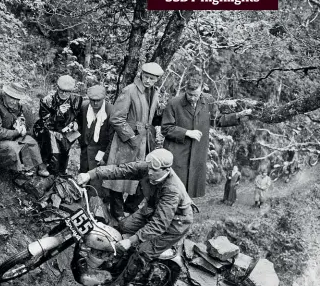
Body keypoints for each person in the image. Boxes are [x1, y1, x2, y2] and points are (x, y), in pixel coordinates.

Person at [76, 148, 194, 286]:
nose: (149, 172)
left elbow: (160, 224)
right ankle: (113, 265)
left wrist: (132, 240)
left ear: (166, 170)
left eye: (154, 170)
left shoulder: (171, 189)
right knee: (122, 226)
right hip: (152, 208)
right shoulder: (149, 168)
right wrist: (90, 174)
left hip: (176, 223)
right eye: (149, 167)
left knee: (142, 251)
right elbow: (120, 170)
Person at [161, 72, 252, 197]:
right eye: (190, 95)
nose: (193, 98)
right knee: (174, 187)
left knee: (191, 189)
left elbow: (217, 120)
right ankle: (172, 212)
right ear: (185, 90)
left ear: (202, 89)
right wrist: (187, 132)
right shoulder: (174, 103)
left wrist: (237, 116)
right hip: (178, 152)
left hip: (197, 152)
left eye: (196, 95)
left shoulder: (208, 100)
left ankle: (185, 212)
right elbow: (165, 128)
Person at [104, 62, 164, 220]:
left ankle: (130, 208)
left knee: (143, 176)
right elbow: (116, 118)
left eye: (152, 78)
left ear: (157, 79)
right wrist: (130, 137)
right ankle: (116, 214)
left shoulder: (155, 93)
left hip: (145, 142)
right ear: (141, 74)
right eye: (146, 77)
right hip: (125, 142)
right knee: (118, 177)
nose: (148, 81)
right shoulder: (129, 90)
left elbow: (152, 117)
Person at [0, 83, 49, 177]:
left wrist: (21, 122)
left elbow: (20, 115)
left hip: (9, 136)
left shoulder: (14, 104)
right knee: (13, 148)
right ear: (5, 94)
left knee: (30, 141)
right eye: (12, 98)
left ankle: (29, 168)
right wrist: (17, 132)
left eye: (17, 99)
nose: (15, 102)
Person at [33, 75, 83, 176]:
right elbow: (46, 123)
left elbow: (79, 116)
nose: (64, 94)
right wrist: (58, 113)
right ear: (57, 88)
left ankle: (60, 172)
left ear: (71, 91)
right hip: (48, 129)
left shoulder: (77, 99)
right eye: (61, 91)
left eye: (67, 91)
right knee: (54, 149)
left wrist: (76, 123)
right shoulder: (47, 100)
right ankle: (45, 167)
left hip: (67, 131)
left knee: (64, 153)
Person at [77, 85, 113, 195]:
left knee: (97, 185)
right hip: (86, 150)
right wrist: (82, 142)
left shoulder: (111, 111)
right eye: (92, 100)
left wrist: (105, 156)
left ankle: (97, 205)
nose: (95, 104)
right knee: (83, 179)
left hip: (101, 152)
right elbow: (78, 126)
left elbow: (113, 138)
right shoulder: (83, 107)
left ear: (104, 98)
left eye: (98, 101)